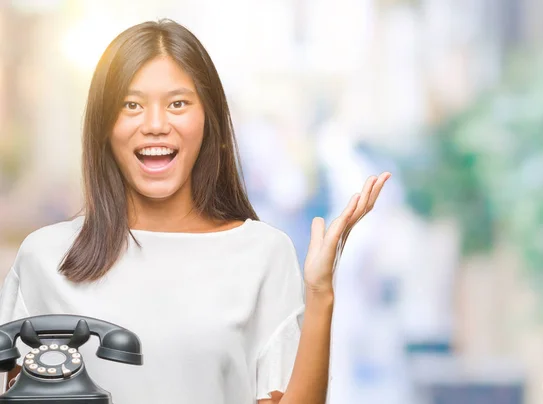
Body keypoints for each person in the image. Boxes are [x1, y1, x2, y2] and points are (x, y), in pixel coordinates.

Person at [0, 19, 390, 404]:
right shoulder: (46, 257)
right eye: (131, 105)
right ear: (104, 126)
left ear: (209, 122)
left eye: (178, 104)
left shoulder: (263, 253)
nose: (155, 124)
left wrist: (320, 291)